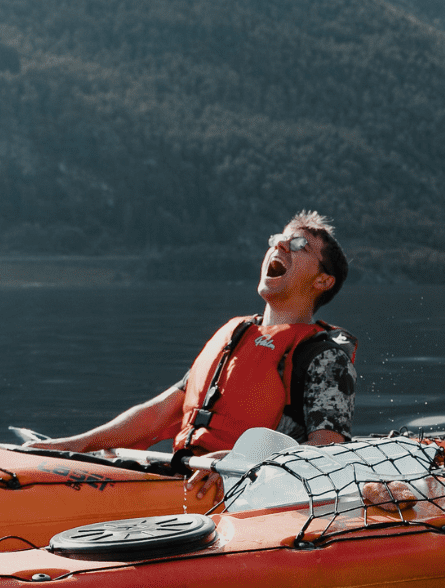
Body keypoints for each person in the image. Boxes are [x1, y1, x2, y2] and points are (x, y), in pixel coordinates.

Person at [28, 211, 356, 500]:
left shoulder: (324, 356)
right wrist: (75, 445)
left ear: (322, 280)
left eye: (298, 245)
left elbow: (326, 452)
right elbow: (159, 414)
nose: (280, 245)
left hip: (244, 494)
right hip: (182, 477)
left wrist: (242, 464)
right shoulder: (236, 334)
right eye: (277, 239)